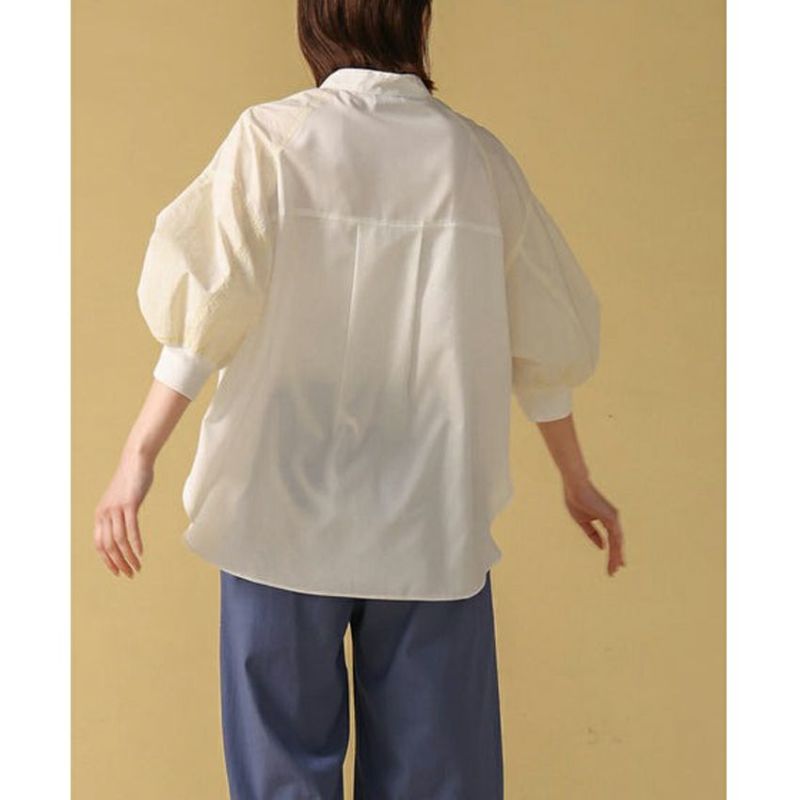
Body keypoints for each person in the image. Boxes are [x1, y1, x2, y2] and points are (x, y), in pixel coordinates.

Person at [93, 1, 625, 797]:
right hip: (430, 520)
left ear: (316, 24)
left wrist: (139, 456)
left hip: (278, 509)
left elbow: (203, 315)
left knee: (279, 776)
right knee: (438, 781)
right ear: (417, 23)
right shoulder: (476, 161)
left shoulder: (273, 139)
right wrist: (575, 478)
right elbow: (545, 339)